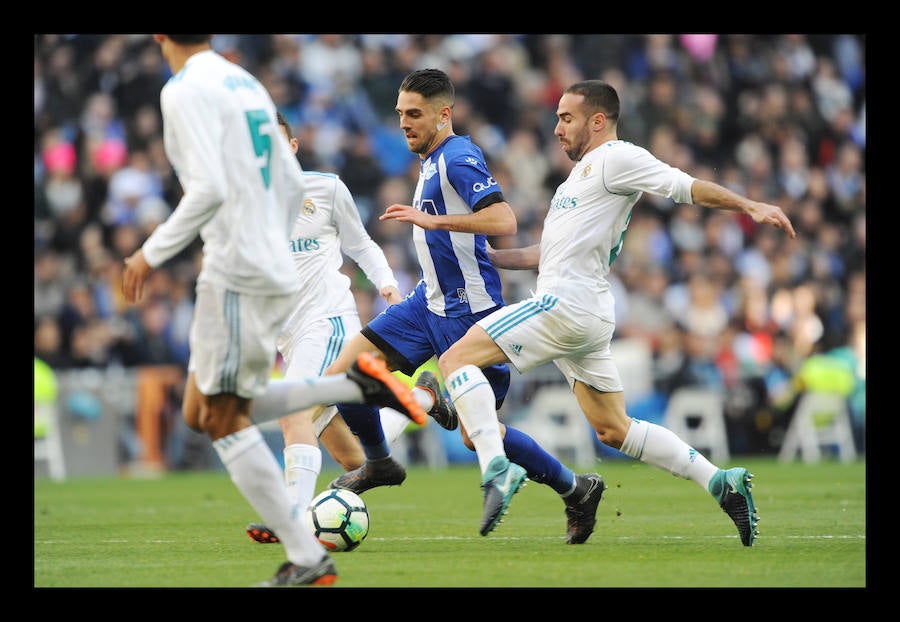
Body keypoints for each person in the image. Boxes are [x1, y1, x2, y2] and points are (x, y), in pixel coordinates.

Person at [429, 79, 797, 547]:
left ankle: (495, 470)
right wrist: (491, 257)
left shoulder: (617, 157)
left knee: (453, 361)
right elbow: (549, 252)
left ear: (597, 121)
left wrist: (748, 205)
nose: (557, 128)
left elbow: (683, 186)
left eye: (566, 118)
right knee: (613, 429)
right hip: (583, 312)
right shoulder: (578, 178)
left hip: (564, 305)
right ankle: (720, 480)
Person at [121, 35, 425, 587]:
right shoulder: (245, 83)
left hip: (242, 271)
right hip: (264, 282)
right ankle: (363, 393)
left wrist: (151, 251)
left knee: (235, 417)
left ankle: (305, 552)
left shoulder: (185, 89)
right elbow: (282, 181)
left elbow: (208, 188)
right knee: (203, 413)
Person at [319, 68, 605, 542]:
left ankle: (576, 489)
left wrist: (436, 224)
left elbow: (504, 218)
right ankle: (381, 462)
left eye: (414, 114)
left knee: (479, 435)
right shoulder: (430, 158)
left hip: (470, 314)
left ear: (443, 114)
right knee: (342, 378)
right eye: (400, 114)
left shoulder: (458, 156)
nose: (404, 123)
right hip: (425, 304)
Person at [245, 111, 434, 545]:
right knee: (356, 459)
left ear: (292, 147)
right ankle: (422, 397)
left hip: (328, 322)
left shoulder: (326, 189)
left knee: (292, 414)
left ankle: (287, 518)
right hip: (290, 338)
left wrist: (387, 283)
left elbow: (361, 243)